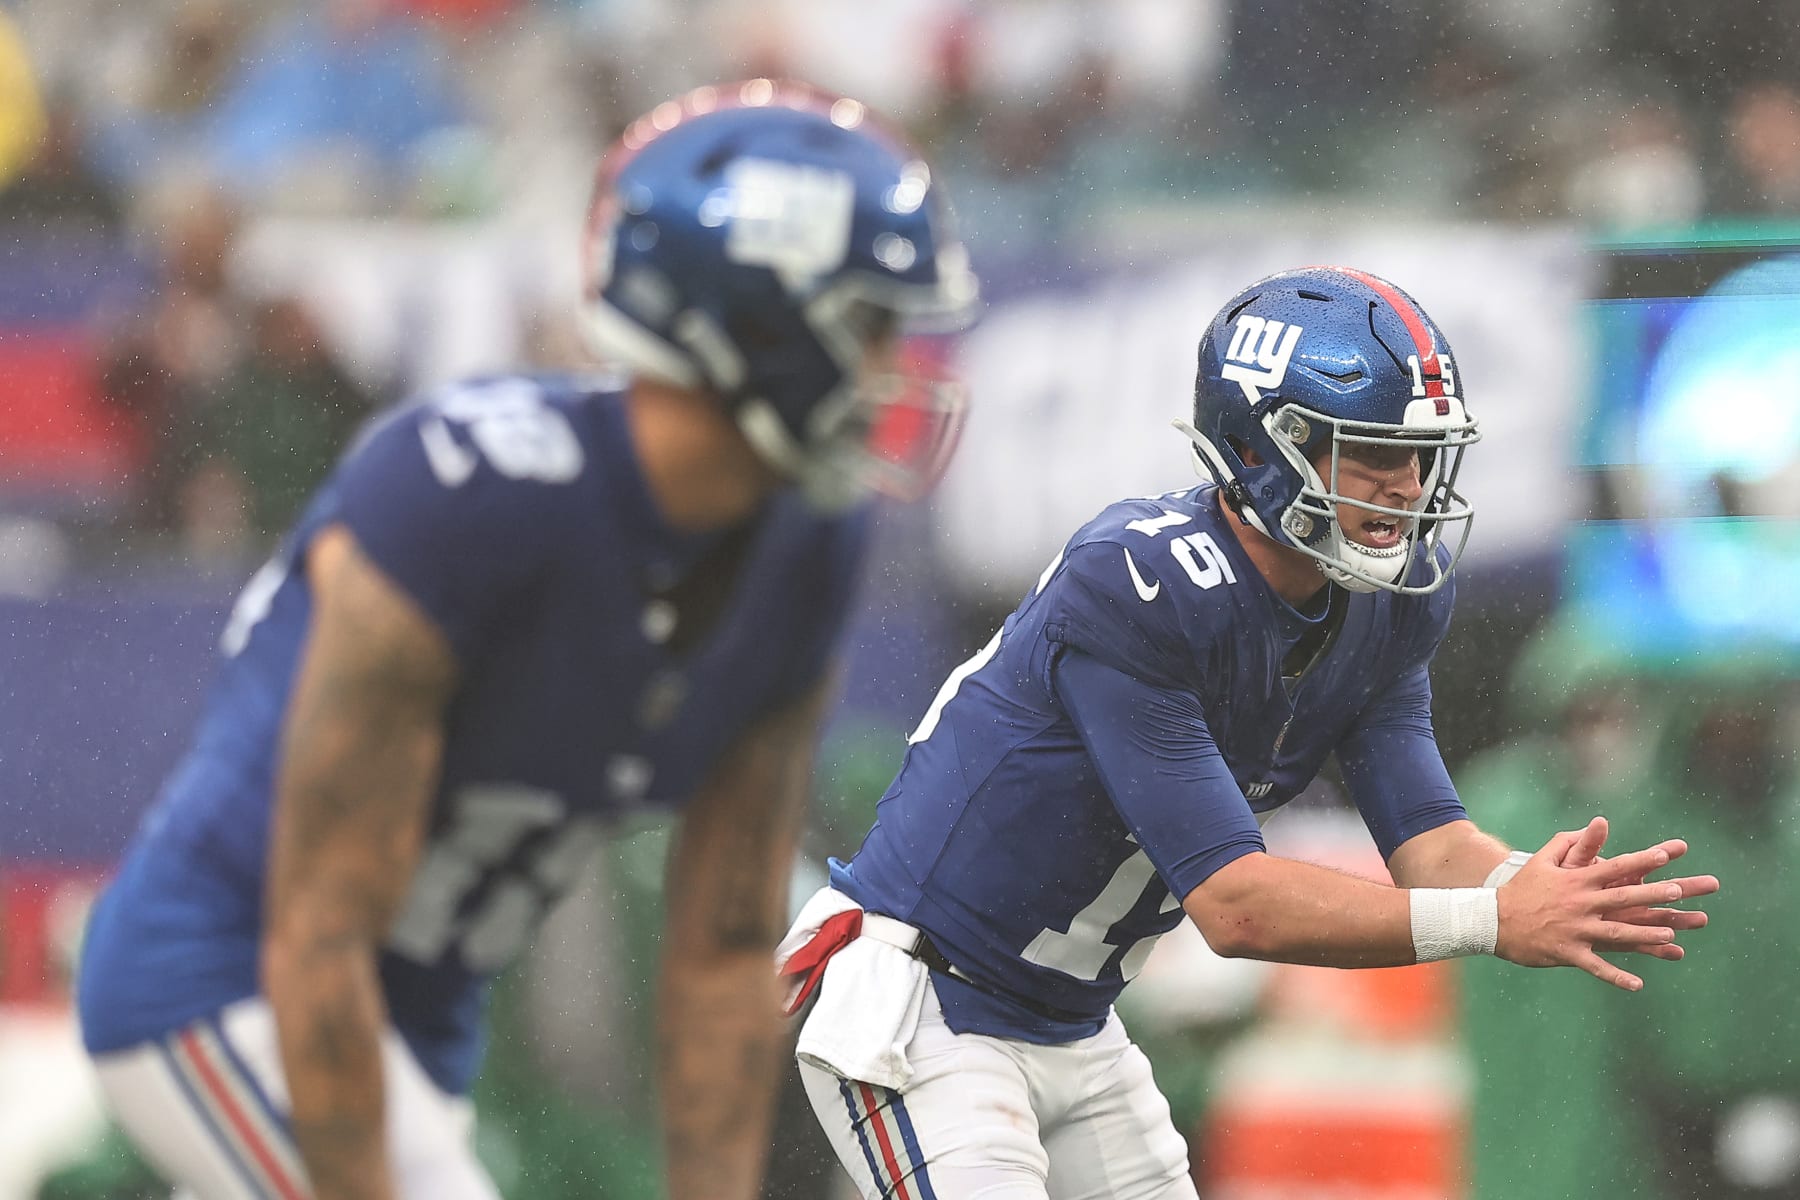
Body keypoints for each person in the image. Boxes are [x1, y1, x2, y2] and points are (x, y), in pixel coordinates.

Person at [75, 78, 979, 1200]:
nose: (893, 364)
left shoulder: (804, 538)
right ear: (747, 316)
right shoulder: (462, 497)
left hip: (418, 1019)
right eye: (866, 322)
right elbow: (315, 938)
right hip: (228, 981)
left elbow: (721, 955)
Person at [775, 265, 1719, 1200]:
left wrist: (1539, 887)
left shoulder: (1383, 605)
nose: (1407, 488)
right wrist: (1492, 920)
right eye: (1373, 454)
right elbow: (1237, 908)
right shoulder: (1139, 584)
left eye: (1420, 454)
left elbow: (1431, 845)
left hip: (1075, 1022)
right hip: (930, 1003)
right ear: (1269, 448)